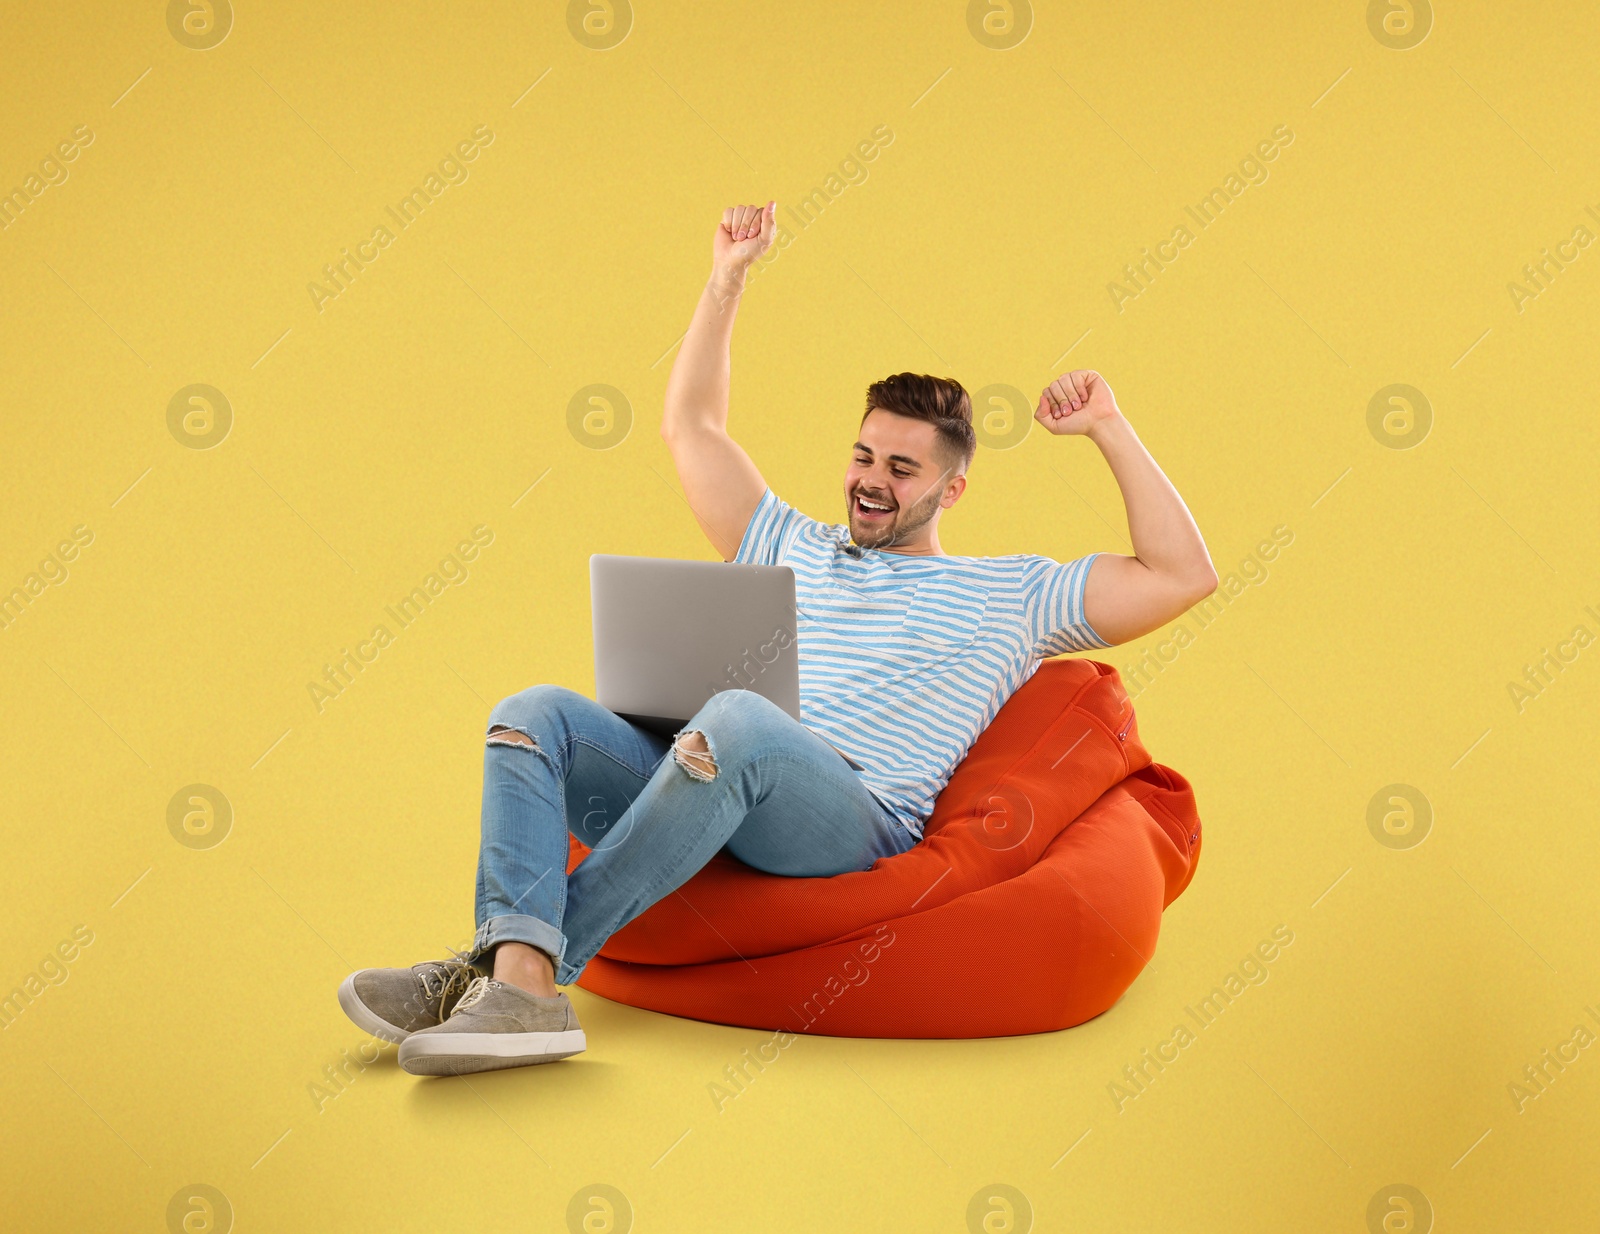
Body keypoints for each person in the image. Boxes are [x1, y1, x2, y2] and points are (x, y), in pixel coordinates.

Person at [336, 200, 1219, 1076]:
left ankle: (506, 976)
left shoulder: (1006, 592)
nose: (871, 483)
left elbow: (1182, 575)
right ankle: (506, 975)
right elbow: (691, 427)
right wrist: (727, 279)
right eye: (864, 457)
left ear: (951, 491)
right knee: (533, 714)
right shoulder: (792, 541)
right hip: (712, 766)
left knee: (742, 719)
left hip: (849, 820)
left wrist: (1109, 427)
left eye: (902, 470)